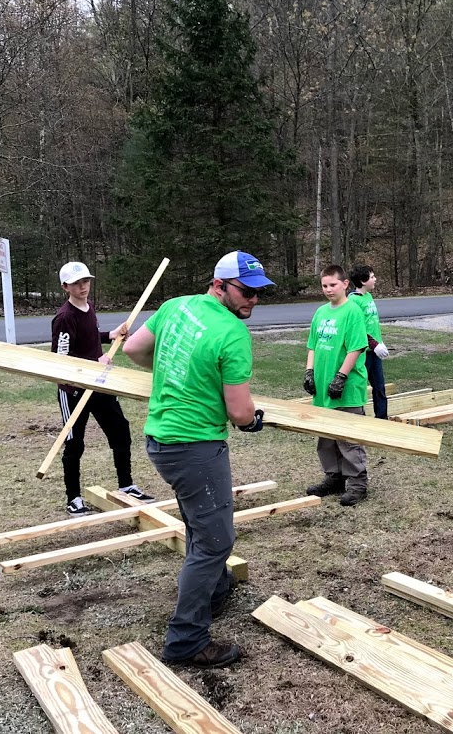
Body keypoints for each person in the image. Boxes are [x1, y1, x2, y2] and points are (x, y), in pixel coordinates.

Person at [123, 250, 273, 668]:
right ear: (220, 284)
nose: (253, 301)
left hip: (161, 439)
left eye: (259, 294)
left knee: (199, 522)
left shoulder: (175, 307)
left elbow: (135, 349)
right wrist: (250, 421)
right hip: (195, 446)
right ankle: (186, 639)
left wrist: (180, 372)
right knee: (216, 540)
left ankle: (215, 590)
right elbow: (241, 413)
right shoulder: (232, 334)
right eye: (246, 292)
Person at [52, 261, 152, 516]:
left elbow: (89, 338)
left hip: (99, 385)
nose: (83, 286)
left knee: (120, 430)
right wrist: (94, 363)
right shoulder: (64, 318)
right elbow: (59, 360)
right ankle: (73, 498)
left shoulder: (88, 307)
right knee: (75, 444)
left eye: (85, 281)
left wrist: (111, 335)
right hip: (73, 389)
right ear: (65, 287)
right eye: (76, 283)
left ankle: (126, 486)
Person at [304, 264, 371, 507]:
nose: (328, 289)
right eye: (324, 285)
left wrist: (341, 376)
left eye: (333, 285)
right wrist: (310, 372)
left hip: (346, 388)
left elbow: (356, 347)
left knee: (349, 438)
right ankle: (334, 477)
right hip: (323, 388)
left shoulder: (352, 312)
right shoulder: (321, 312)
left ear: (345, 284)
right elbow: (312, 345)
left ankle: (357, 483)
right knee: (326, 437)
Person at [348, 264, 390, 419]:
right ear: (363, 281)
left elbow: (372, 325)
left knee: (379, 386)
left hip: (375, 351)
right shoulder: (353, 301)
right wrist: (374, 344)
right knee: (358, 385)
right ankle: (358, 416)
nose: (375, 279)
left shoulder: (368, 296)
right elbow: (357, 329)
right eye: (372, 277)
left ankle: (382, 418)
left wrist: (380, 342)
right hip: (362, 353)